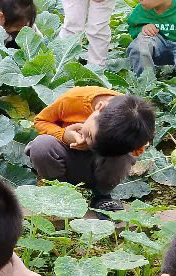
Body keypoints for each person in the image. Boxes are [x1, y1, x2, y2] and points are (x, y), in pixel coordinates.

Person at [25, 88, 155, 213]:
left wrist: (138, 144)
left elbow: (136, 151)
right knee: (41, 146)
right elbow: (40, 121)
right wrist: (63, 135)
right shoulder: (74, 100)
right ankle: (60, 192)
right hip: (65, 157)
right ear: (100, 107)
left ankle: (101, 196)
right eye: (90, 136)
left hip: (98, 167)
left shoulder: (136, 126)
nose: (89, 143)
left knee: (122, 157)